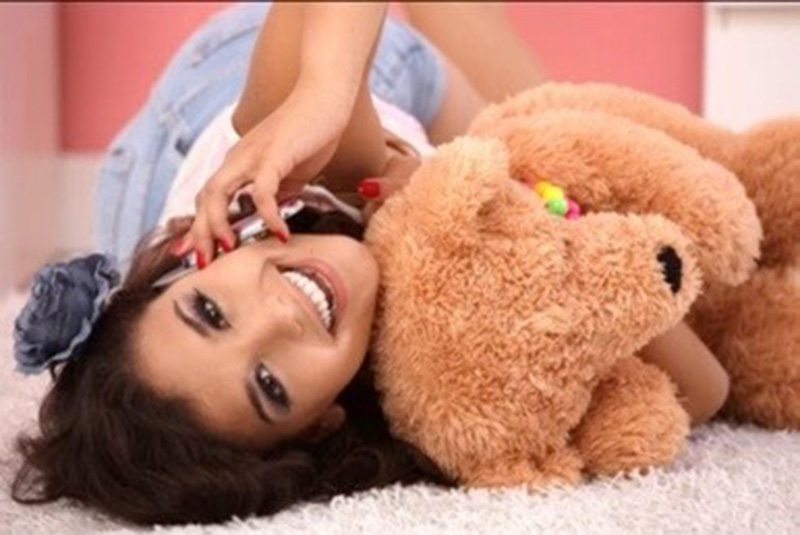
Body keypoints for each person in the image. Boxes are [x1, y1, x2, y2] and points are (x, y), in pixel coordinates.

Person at [11, 3, 729, 526]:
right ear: (321, 422)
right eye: (268, 383)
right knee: (608, 221)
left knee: (573, 132)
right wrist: (511, 207)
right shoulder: (426, 400)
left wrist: (325, 93)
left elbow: (312, 64)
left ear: (191, 259)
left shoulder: (284, 173)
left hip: (217, 98)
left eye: (210, 311)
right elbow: (704, 387)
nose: (280, 314)